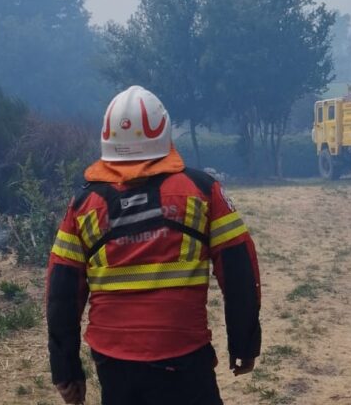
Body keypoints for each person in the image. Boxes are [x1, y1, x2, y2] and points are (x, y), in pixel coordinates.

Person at [46, 85, 261, 405]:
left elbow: (62, 291)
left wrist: (66, 369)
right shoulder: (202, 191)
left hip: (115, 364)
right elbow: (239, 268)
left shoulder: (83, 205)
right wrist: (244, 343)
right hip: (186, 359)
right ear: (164, 133)